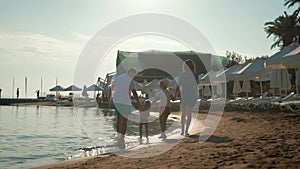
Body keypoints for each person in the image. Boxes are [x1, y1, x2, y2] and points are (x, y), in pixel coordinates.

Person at [108, 67, 142, 144]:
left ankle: (118, 136)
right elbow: (134, 93)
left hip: (117, 101)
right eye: (134, 74)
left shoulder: (118, 78)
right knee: (124, 121)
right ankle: (122, 138)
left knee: (119, 120)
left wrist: (109, 100)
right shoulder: (130, 80)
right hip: (125, 102)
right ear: (132, 73)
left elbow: (111, 89)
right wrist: (139, 103)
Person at [174, 59, 199, 136]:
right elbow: (196, 86)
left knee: (183, 114)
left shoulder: (182, 75)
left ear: (184, 66)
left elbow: (178, 86)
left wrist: (175, 94)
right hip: (191, 95)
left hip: (184, 95)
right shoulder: (195, 75)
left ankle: (182, 130)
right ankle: (186, 131)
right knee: (189, 114)